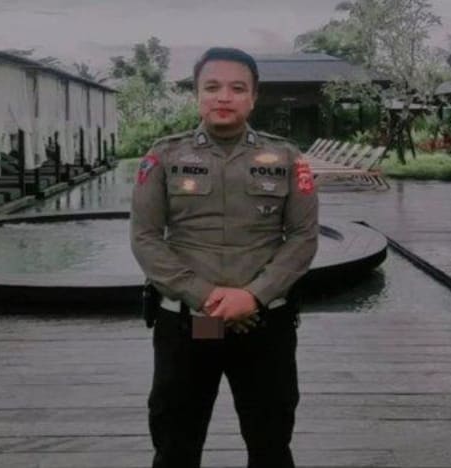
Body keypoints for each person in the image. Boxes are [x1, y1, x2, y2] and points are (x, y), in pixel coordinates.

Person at [130, 46, 319, 468]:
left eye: (237, 88)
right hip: (193, 324)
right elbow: (145, 238)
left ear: (253, 97)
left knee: (271, 446)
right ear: (197, 94)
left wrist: (253, 296)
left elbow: (303, 237)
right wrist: (206, 296)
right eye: (212, 87)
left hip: (262, 324)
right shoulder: (164, 156)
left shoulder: (287, 158)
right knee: (175, 447)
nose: (224, 97)